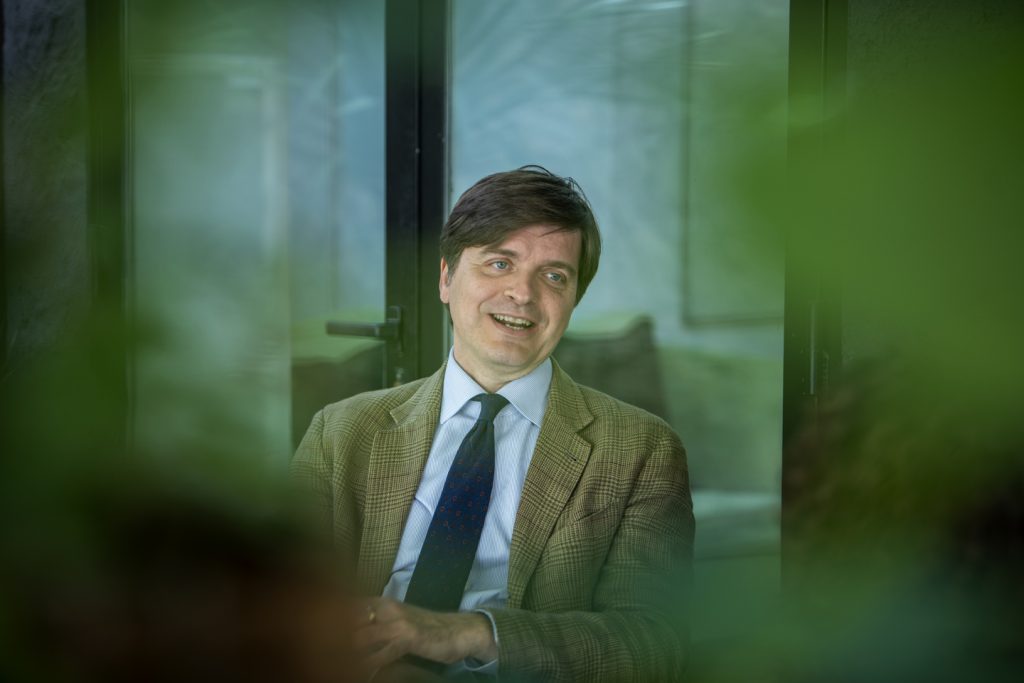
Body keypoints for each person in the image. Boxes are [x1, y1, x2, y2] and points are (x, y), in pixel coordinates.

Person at [292, 166, 693, 681]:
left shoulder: (642, 449)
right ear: (446, 278)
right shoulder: (341, 432)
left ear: (573, 300)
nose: (522, 293)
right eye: (499, 263)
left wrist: (470, 634)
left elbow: (654, 644)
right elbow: (280, 611)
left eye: (554, 276)